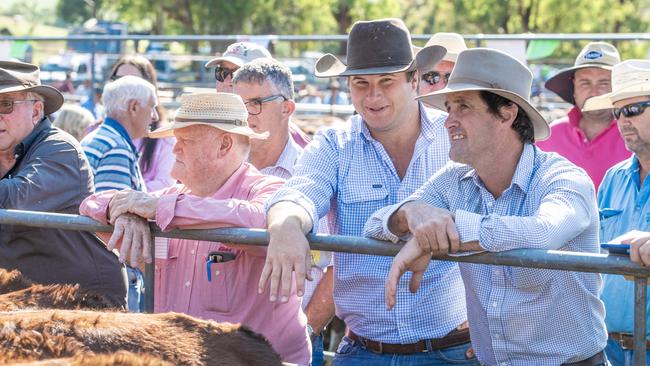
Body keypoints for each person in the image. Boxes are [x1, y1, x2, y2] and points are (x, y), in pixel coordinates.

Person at [364, 48, 608, 365]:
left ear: (507, 113)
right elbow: (375, 225)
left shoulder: (563, 178)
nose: (448, 121)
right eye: (449, 109)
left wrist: (441, 233)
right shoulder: (455, 179)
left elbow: (542, 232)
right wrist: (412, 215)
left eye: (463, 107)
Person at [259, 18, 474, 365]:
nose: (373, 96)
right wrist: (284, 224)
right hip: (365, 349)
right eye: (361, 84)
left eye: (386, 82)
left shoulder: (457, 138)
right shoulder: (334, 145)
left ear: (414, 80)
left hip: (454, 346)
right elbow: (300, 191)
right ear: (349, 86)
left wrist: (495, 330)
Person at [80, 92, 310, 365]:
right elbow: (91, 204)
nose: (174, 149)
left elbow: (260, 218)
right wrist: (125, 214)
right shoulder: (171, 197)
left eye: (185, 140)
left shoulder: (268, 191)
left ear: (224, 145)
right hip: (186, 355)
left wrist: (158, 208)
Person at [0, 60, 126, 307]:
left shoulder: (60, 148)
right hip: (29, 303)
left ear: (36, 111)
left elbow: (15, 200)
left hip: (85, 305)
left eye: (5, 104)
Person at [232, 58, 333, 366]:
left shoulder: (315, 174)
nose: (246, 113)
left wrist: (304, 328)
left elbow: (339, 265)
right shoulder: (226, 168)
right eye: (238, 104)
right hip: (232, 336)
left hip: (289, 340)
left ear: (287, 108)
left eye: (256, 103)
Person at [582, 59, 650, 365]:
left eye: (634, 110)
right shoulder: (612, 178)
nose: (623, 120)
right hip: (607, 346)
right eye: (618, 112)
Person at [538, 42, 630, 190]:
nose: (594, 92)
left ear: (618, 88)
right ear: (574, 88)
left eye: (604, 83)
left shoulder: (635, 135)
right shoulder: (549, 136)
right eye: (585, 83)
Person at [205, 41, 311, 148]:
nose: (227, 81)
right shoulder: (203, 128)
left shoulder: (296, 148)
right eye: (222, 72)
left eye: (238, 74)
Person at [109, 55, 176, 192]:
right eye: (119, 80)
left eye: (133, 81)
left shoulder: (164, 137)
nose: (125, 87)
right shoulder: (97, 131)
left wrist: (125, 194)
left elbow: (166, 184)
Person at [81, 75, 158, 192]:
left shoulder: (99, 138)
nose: (155, 116)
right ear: (134, 107)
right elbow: (113, 208)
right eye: (152, 107)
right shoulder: (116, 148)